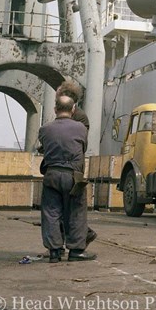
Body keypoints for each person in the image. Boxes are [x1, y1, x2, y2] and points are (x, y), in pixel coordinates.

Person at [38, 94, 96, 262]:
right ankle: (76, 251)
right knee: (76, 212)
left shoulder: (45, 129)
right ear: (73, 109)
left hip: (52, 175)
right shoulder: (81, 128)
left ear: (55, 109)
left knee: (51, 213)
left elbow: (44, 147)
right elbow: (82, 147)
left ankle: (54, 252)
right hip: (73, 177)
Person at [55, 79, 97, 251]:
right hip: (66, 166)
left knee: (71, 207)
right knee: (65, 207)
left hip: (72, 168)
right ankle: (77, 237)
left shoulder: (79, 118)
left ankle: (81, 237)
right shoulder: (73, 117)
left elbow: (77, 144)